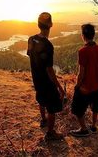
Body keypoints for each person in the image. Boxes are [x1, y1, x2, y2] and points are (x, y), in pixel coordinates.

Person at [27, 12, 65, 140]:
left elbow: (31, 55)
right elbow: (49, 70)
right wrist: (59, 86)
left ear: (38, 24)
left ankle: (43, 120)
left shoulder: (31, 39)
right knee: (52, 107)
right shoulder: (48, 46)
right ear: (51, 25)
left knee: (41, 99)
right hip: (46, 81)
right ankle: (50, 133)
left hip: (36, 79)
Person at [70, 23, 98, 137]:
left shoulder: (82, 51)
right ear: (93, 35)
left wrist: (77, 85)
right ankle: (94, 126)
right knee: (95, 106)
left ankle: (83, 129)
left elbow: (81, 72)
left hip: (85, 87)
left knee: (77, 109)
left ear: (83, 35)